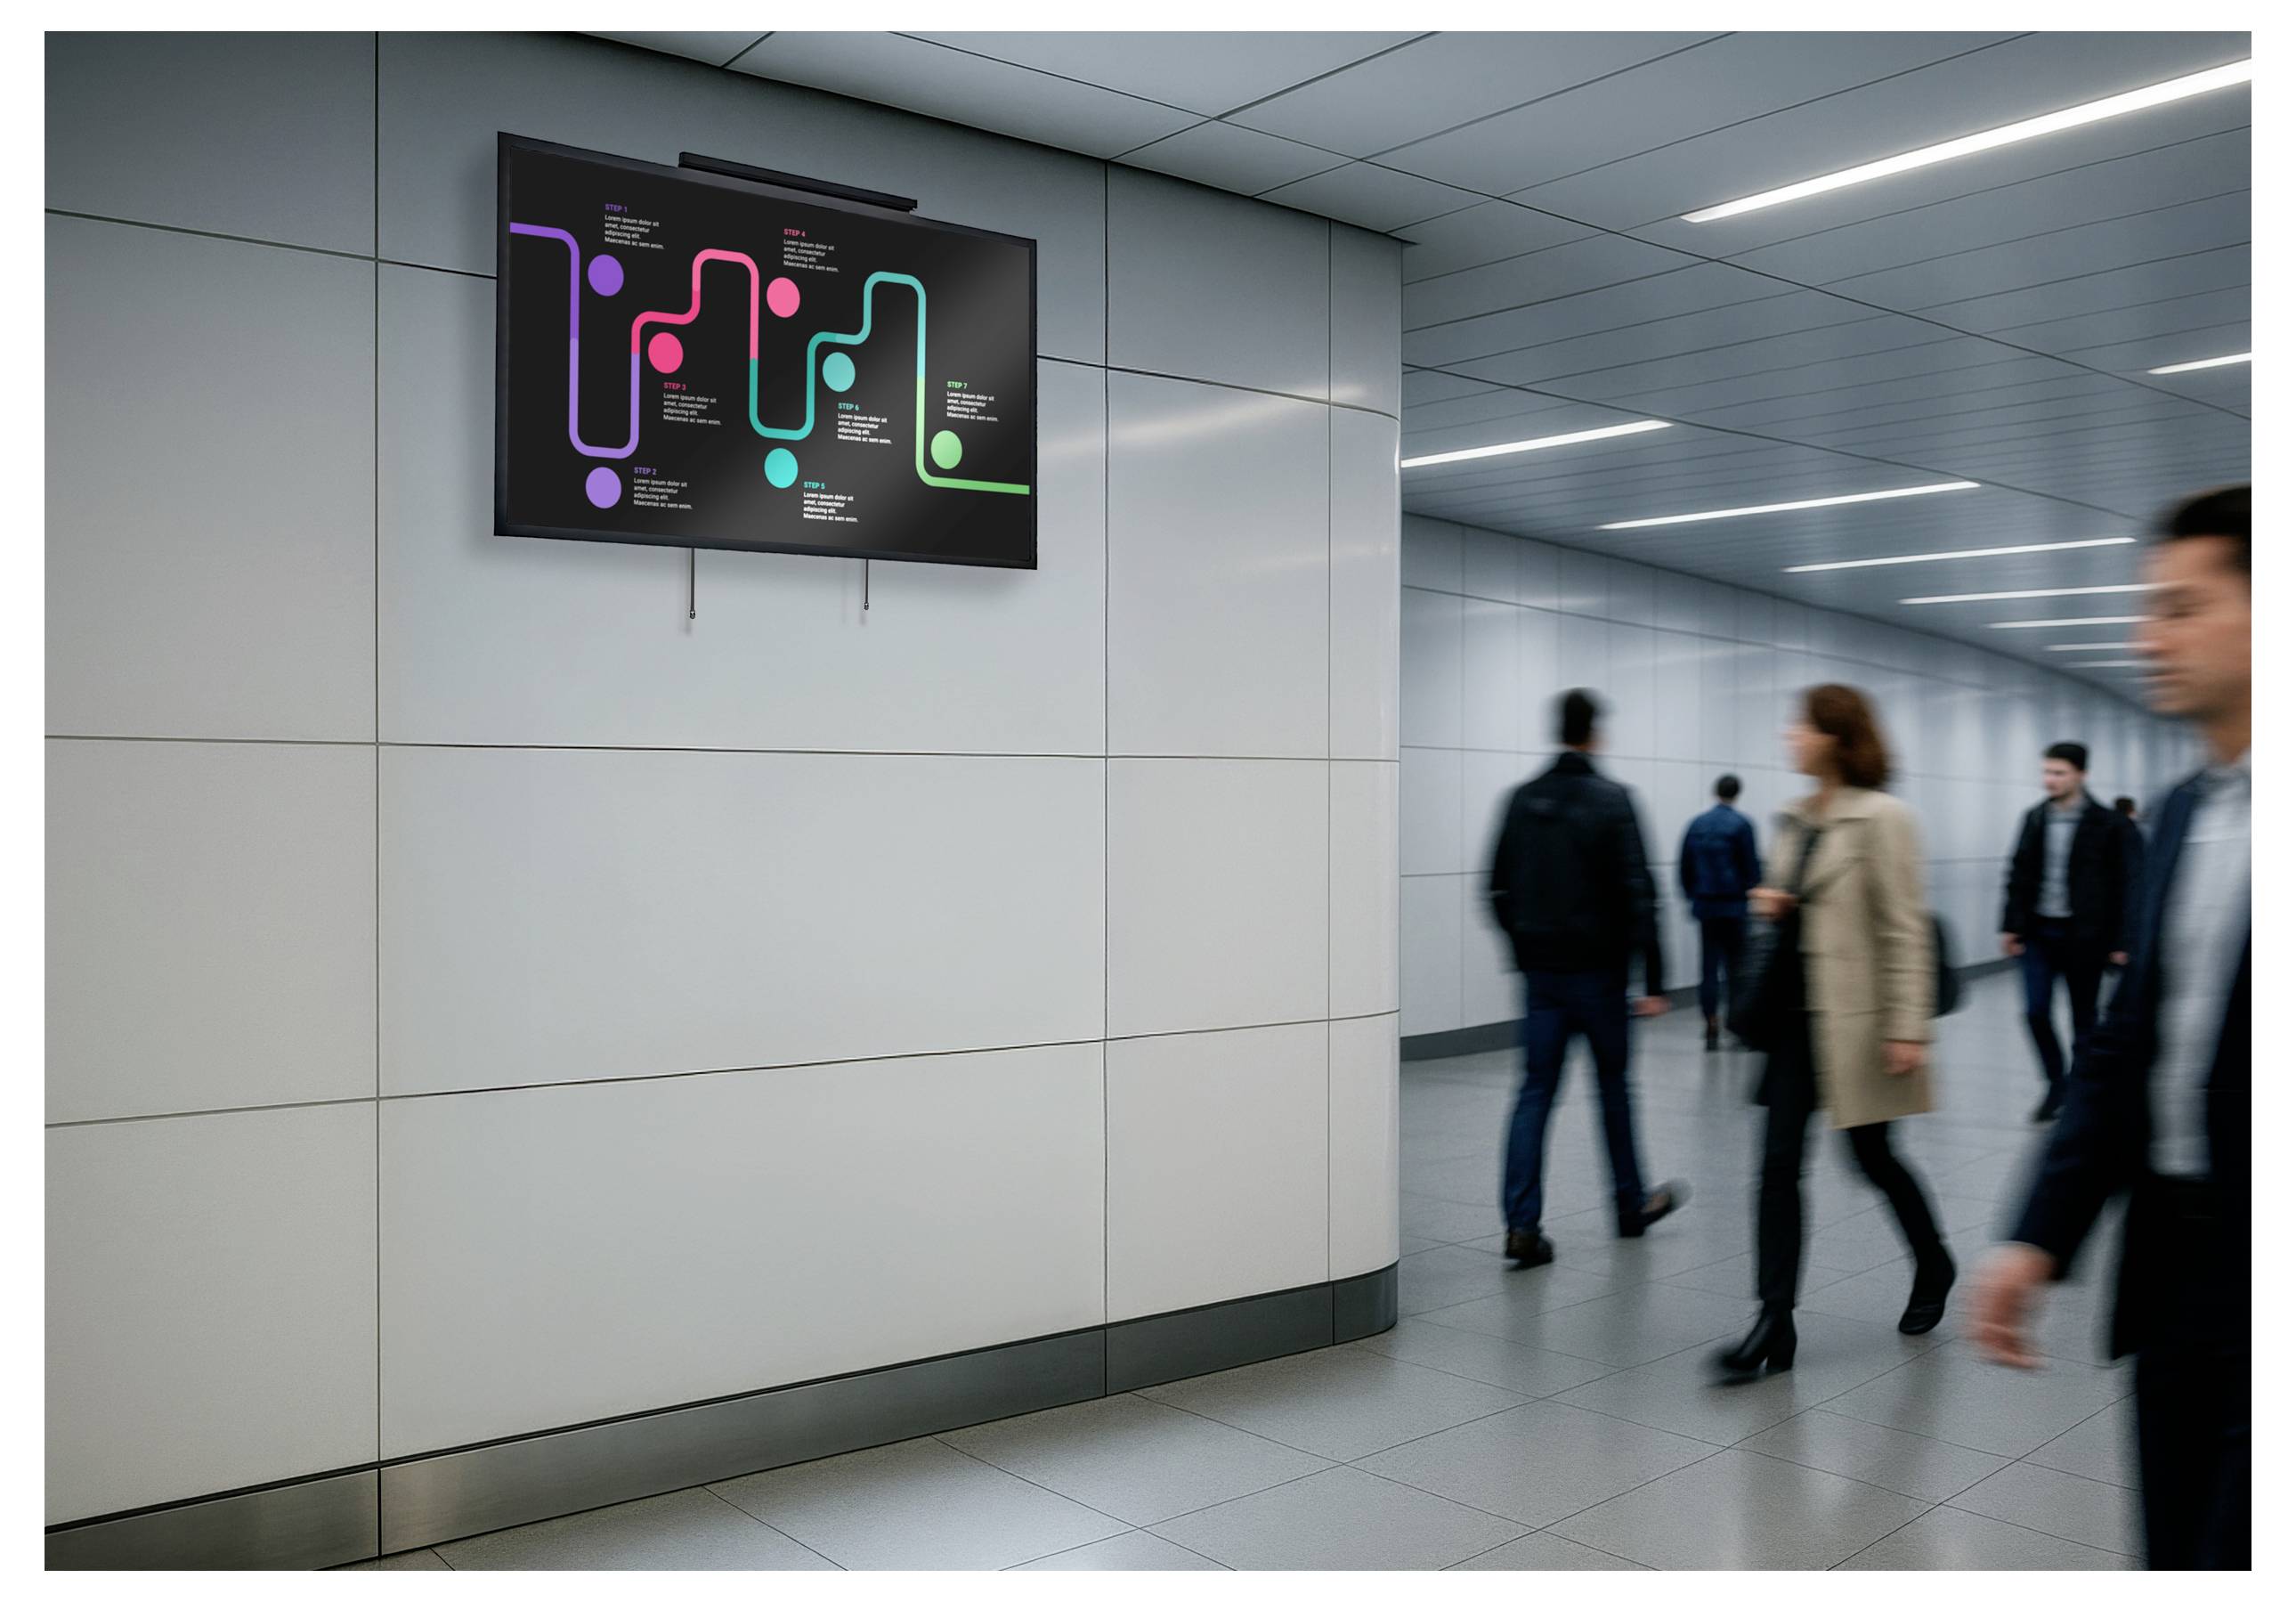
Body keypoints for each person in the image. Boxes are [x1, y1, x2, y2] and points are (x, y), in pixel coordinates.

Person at [1969, 485, 2250, 1570]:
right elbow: (2127, 1045)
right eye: (2147, 605)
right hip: (2173, 1255)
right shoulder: (2183, 811)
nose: (2148, 635)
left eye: (2181, 606)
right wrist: (2037, 1230)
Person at [1715, 684, 1952, 1380]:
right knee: (1777, 1165)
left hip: (1858, 1020)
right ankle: (1773, 1318)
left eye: (1803, 725)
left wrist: (1908, 1025)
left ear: (1837, 737)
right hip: (1794, 1019)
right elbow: (1796, 904)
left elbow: (1904, 928)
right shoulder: (1792, 817)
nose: (1790, 735)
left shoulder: (1885, 818)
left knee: (1871, 1158)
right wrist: (1773, 902)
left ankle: (1933, 1261)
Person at [1486, 688, 1689, 1267]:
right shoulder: (1613, 799)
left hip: (1542, 977)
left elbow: (1495, 888)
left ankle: (1521, 1224)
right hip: (1599, 977)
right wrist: (1652, 978)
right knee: (1612, 1089)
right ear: (1595, 733)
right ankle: (1629, 1205)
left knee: (1533, 1093)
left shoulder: (1520, 800)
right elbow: (1638, 893)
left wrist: (1523, 947)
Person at [1999, 743, 2146, 1123]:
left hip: (2085, 935)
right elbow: (2018, 873)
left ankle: (2082, 1092)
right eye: (2047, 772)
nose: (2050, 780)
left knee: (2084, 1020)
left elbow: (2130, 885)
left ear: (2081, 774)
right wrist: (2011, 925)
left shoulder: (2111, 824)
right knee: (2035, 1011)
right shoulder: (2034, 818)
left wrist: (2123, 941)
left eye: (2059, 773)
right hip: (2038, 933)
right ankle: (2055, 1083)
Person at [1680, 774, 1763, 1052]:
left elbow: (1685, 867)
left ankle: (1710, 1022)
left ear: (1715, 792)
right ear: (1737, 794)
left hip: (1706, 906)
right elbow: (1751, 869)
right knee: (1737, 969)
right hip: (1735, 907)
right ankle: (1736, 1026)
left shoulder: (1697, 824)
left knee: (1708, 968)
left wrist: (1693, 895)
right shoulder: (1742, 825)